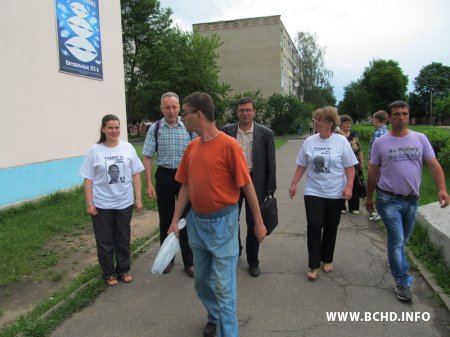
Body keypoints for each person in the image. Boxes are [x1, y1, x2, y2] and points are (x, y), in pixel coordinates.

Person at [168, 92, 267, 337]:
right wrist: (173, 221)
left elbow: (247, 186)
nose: (183, 117)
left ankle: (228, 332)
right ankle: (215, 316)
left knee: (224, 287)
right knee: (202, 282)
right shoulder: (192, 147)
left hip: (224, 224)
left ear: (198, 114)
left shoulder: (229, 146)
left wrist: (259, 223)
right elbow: (185, 186)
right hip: (197, 224)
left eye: (185, 112)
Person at [366, 100, 449, 302]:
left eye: (404, 113)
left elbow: (433, 164)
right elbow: (373, 171)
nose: (401, 117)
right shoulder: (381, 142)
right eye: (397, 114)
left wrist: (442, 189)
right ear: (390, 116)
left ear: (408, 115)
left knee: (404, 240)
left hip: (412, 200)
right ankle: (403, 283)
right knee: (397, 240)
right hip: (388, 199)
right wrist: (369, 197)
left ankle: (395, 261)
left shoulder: (420, 139)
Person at [289, 107, 358, 280]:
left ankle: (327, 258)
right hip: (313, 190)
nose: (315, 122)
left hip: (335, 191)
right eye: (315, 119)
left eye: (318, 119)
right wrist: (294, 182)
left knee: (330, 226)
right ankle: (313, 264)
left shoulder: (341, 141)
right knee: (314, 224)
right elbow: (302, 164)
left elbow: (350, 167)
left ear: (329, 122)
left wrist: (349, 187)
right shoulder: (310, 141)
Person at [80, 114, 144, 286]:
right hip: (102, 204)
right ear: (103, 129)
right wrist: (89, 203)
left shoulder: (128, 147)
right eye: (110, 127)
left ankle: (123, 270)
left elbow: (136, 173)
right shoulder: (95, 150)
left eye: (117, 127)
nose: (114, 131)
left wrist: (138, 198)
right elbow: (88, 179)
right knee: (105, 241)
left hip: (124, 202)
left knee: (123, 239)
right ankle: (108, 273)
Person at [222, 96, 276, 277]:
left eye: (248, 110)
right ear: (237, 112)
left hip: (256, 181)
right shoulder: (227, 131)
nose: (245, 113)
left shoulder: (265, 133)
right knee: (231, 220)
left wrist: (270, 189)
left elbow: (271, 163)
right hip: (232, 182)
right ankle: (235, 251)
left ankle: (253, 261)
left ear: (254, 112)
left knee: (254, 222)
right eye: (241, 110)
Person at [142, 92, 194, 277]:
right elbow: (147, 156)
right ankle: (168, 260)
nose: (171, 111)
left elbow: (198, 153)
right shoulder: (155, 128)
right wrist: (148, 183)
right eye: (167, 107)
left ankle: (189, 262)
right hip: (164, 176)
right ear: (161, 108)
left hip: (185, 180)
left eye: (174, 107)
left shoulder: (189, 128)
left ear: (179, 108)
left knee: (186, 220)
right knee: (166, 220)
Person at [339, 114, 364, 215]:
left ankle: (354, 207)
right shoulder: (337, 135)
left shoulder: (354, 135)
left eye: (350, 123)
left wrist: (361, 162)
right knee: (342, 184)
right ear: (341, 124)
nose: (348, 125)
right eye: (346, 123)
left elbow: (359, 149)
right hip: (341, 165)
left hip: (354, 165)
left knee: (354, 185)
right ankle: (341, 206)